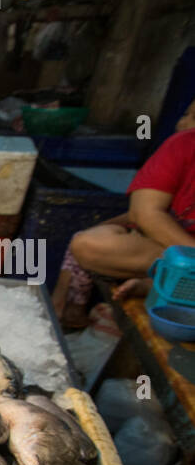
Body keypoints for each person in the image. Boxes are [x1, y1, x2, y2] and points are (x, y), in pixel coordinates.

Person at [54, 99, 195, 327]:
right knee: (86, 244)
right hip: (170, 251)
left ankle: (154, 283)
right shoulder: (182, 145)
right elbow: (144, 213)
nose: (184, 123)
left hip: (169, 260)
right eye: (188, 115)